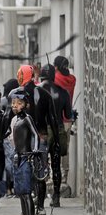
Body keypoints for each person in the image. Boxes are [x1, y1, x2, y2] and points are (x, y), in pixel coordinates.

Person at [13, 64, 60, 215]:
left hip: (25, 139)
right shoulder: (45, 94)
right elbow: (53, 119)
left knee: (25, 172)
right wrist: (57, 140)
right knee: (40, 172)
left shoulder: (18, 95)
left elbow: (9, 116)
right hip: (41, 136)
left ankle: (28, 208)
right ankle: (40, 208)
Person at [7, 87, 41, 215]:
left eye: (19, 103)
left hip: (26, 157)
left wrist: (34, 150)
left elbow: (36, 135)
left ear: (25, 104)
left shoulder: (27, 118)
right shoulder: (17, 120)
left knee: (26, 193)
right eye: (13, 103)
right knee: (20, 192)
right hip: (18, 157)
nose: (15, 106)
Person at [38, 64, 72, 207]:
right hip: (57, 129)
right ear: (53, 75)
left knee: (39, 164)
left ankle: (40, 196)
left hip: (41, 132)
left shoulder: (36, 91)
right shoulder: (63, 93)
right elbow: (68, 115)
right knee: (56, 165)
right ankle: (56, 197)